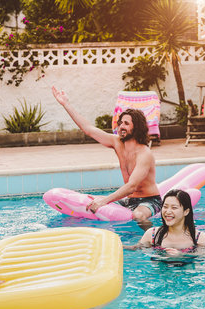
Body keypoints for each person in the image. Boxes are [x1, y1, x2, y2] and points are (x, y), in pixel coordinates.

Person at [52, 86, 161, 230]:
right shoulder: (117, 142)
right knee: (89, 203)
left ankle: (153, 239)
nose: (121, 126)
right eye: (120, 122)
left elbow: (132, 186)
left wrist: (105, 201)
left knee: (138, 215)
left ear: (137, 128)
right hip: (130, 200)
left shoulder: (144, 153)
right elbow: (89, 129)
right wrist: (66, 104)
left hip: (150, 200)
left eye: (126, 124)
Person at [123, 189, 205, 255]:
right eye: (165, 207)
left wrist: (182, 255)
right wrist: (119, 246)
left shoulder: (200, 239)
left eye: (174, 208)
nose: (168, 211)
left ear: (186, 211)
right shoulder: (152, 235)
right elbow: (135, 248)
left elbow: (201, 263)